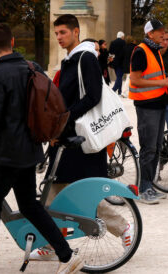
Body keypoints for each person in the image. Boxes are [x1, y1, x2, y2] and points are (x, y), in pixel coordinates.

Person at [0, 23, 81, 274]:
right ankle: (66, 255)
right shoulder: (32, 67)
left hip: (6, 152)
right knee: (29, 205)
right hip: (30, 147)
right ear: (13, 41)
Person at [31, 15, 130, 263]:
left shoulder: (85, 58)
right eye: (56, 33)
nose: (58, 37)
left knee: (78, 193)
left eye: (63, 32)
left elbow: (93, 96)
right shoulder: (71, 60)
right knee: (56, 192)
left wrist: (63, 119)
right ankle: (54, 244)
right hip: (68, 135)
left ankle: (123, 228)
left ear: (76, 32)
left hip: (80, 137)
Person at [129, 18, 168, 203]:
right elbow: (135, 80)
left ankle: (148, 185)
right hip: (147, 105)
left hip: (156, 104)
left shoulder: (153, 50)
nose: (163, 34)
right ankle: (144, 188)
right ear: (150, 33)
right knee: (149, 148)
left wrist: (166, 81)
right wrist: (162, 82)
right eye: (160, 31)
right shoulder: (141, 51)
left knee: (155, 148)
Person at [108, 31, 128, 95]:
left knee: (119, 76)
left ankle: (119, 91)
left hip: (114, 62)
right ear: (122, 36)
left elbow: (110, 52)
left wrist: (110, 61)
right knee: (119, 77)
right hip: (121, 62)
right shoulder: (124, 42)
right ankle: (113, 90)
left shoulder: (112, 42)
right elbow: (125, 53)